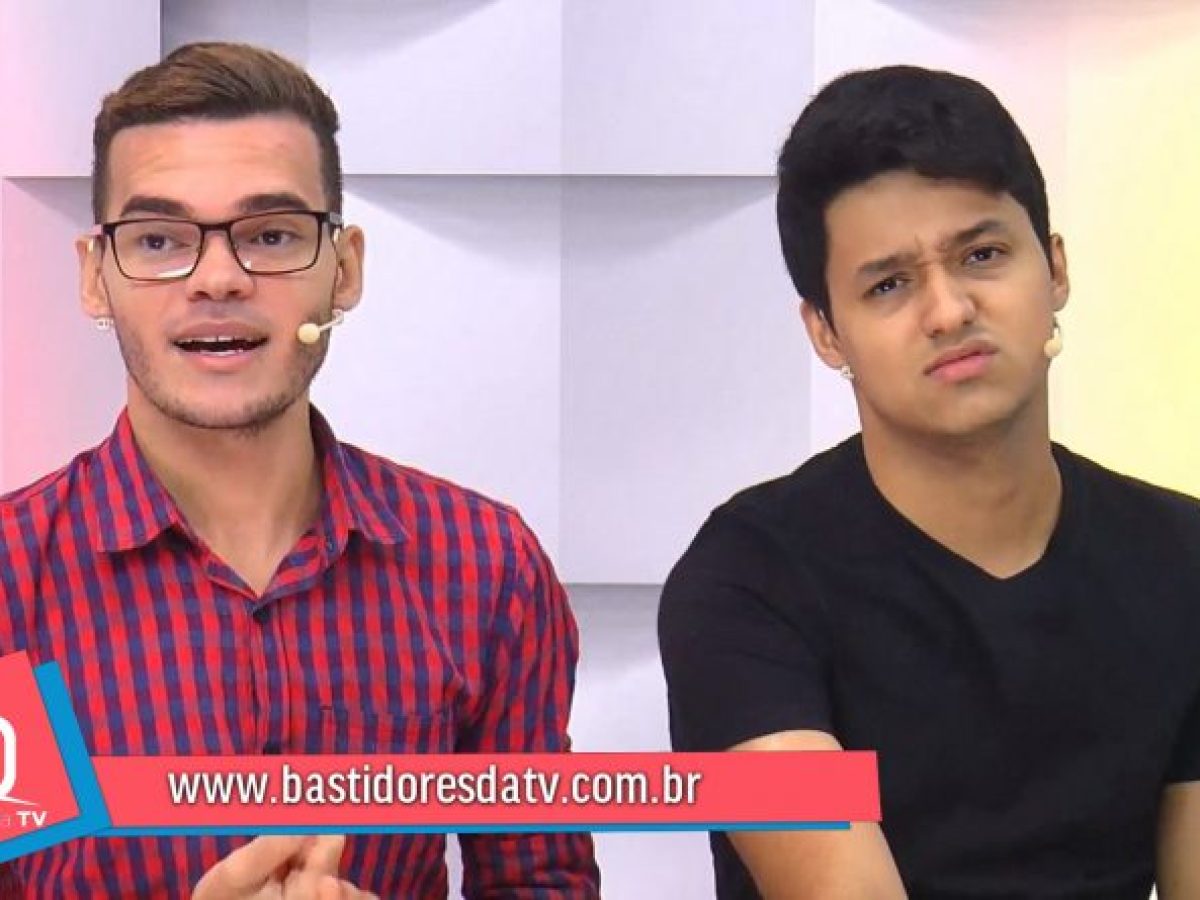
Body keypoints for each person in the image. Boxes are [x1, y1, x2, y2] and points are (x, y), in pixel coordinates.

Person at [0, 42, 599, 899]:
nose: (218, 278)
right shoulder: (12, 585)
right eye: (159, 240)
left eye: (271, 236)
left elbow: (541, 883)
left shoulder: (483, 566)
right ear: (97, 278)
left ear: (343, 269)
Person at [658, 65, 1200, 900]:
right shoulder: (744, 584)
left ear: (1055, 269)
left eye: (983, 255)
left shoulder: (1181, 559)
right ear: (826, 332)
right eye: (889, 284)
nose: (949, 312)